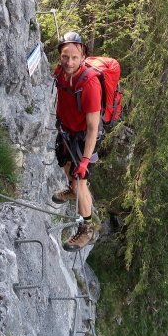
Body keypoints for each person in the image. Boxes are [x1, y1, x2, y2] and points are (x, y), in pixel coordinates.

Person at [52, 31, 102, 252]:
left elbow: (93, 128)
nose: (69, 62)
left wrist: (84, 161)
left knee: (81, 179)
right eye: (65, 56)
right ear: (60, 56)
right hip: (67, 130)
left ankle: (87, 228)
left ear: (83, 56)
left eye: (74, 57)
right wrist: (59, 119)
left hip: (84, 137)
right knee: (64, 161)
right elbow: (62, 98)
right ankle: (72, 189)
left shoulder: (90, 84)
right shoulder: (60, 73)